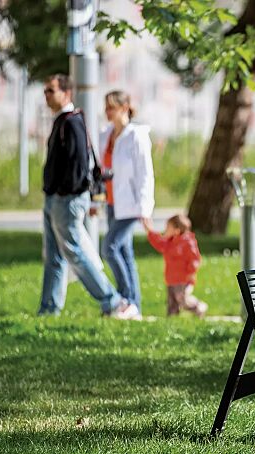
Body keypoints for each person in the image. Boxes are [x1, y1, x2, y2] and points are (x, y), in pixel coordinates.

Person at [38, 73, 138, 319]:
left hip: (66, 200)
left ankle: (113, 302)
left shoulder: (72, 122)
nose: (47, 96)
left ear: (66, 93)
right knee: (54, 257)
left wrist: (66, 192)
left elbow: (80, 165)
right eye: (45, 91)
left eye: (51, 90)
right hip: (55, 199)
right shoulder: (62, 121)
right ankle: (49, 309)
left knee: (76, 254)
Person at [99, 90, 155, 316]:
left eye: (111, 107)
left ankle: (125, 300)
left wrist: (144, 207)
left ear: (124, 108)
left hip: (131, 205)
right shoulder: (106, 134)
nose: (107, 112)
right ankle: (135, 307)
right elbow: (103, 171)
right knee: (125, 252)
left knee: (109, 248)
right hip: (113, 203)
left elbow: (145, 173)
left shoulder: (136, 136)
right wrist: (97, 200)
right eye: (106, 107)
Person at [141, 214, 208, 317]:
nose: (165, 230)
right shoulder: (169, 242)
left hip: (184, 279)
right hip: (171, 279)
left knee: (183, 299)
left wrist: (191, 272)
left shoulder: (188, 243)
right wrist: (149, 231)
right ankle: (172, 319)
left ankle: (198, 306)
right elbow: (159, 243)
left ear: (177, 231)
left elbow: (195, 258)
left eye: (168, 228)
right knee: (172, 302)